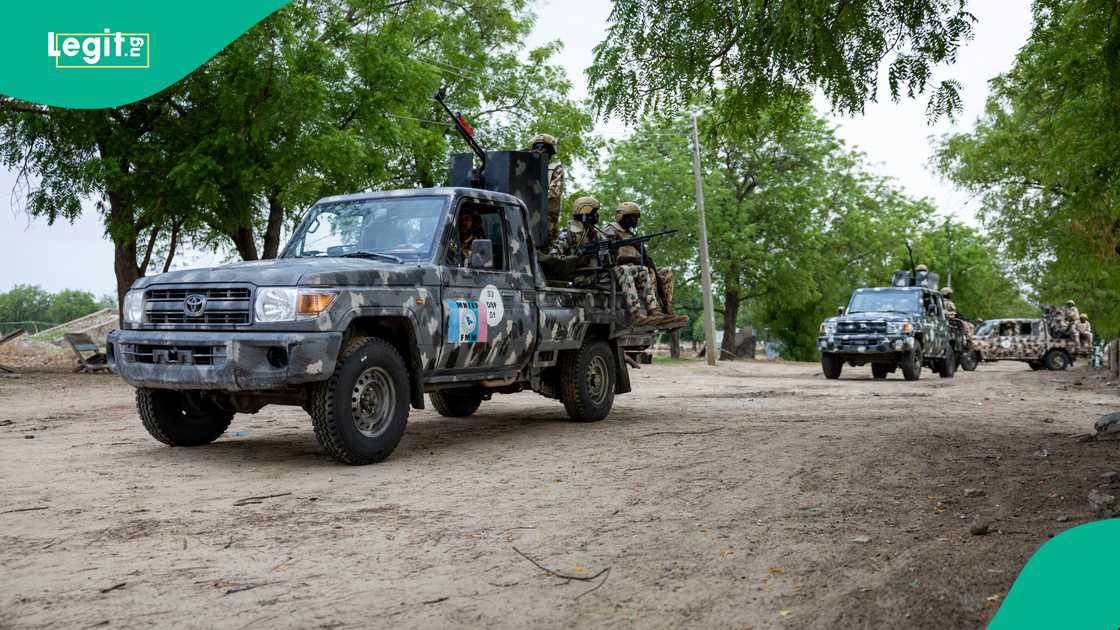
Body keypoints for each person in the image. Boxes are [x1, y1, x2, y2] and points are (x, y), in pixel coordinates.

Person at [547, 197, 668, 327]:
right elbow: (553, 258)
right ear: (585, 213)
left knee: (642, 270)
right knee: (624, 270)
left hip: (600, 275)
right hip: (583, 277)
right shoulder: (567, 234)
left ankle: (654, 311)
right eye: (594, 213)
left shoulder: (595, 232)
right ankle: (637, 315)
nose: (597, 216)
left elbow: (609, 260)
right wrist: (577, 259)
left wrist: (613, 251)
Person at [602, 202, 685, 325]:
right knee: (646, 271)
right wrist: (633, 259)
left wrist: (645, 257)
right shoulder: (610, 231)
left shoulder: (631, 233)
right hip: (622, 272)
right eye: (633, 217)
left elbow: (643, 256)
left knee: (666, 271)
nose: (636, 220)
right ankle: (645, 312)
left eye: (637, 217)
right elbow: (607, 258)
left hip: (636, 270)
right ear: (622, 217)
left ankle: (667, 310)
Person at [528, 133, 565, 241]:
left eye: (543, 147)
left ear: (550, 151)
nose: (539, 150)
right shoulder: (527, 168)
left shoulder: (556, 169)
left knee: (546, 250)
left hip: (547, 219)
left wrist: (534, 195)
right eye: (536, 147)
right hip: (527, 215)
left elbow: (554, 192)